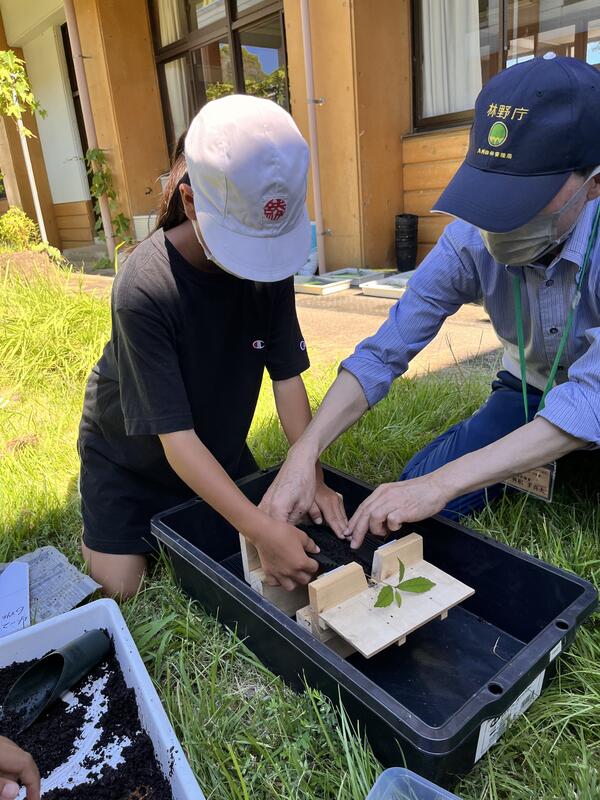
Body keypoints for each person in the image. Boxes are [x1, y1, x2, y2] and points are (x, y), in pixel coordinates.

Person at [262, 54, 600, 565]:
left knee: (438, 486)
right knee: (412, 500)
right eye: (493, 190)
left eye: (526, 196)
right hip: (531, 389)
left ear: (593, 181)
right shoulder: (469, 240)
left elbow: (591, 397)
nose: (501, 221)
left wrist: (443, 484)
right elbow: (384, 353)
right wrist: (303, 453)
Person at [78, 95, 346, 598]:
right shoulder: (144, 285)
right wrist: (259, 530)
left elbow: (287, 379)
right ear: (189, 201)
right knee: (124, 588)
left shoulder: (268, 268)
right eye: (243, 245)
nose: (254, 266)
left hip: (217, 450)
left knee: (256, 542)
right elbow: (175, 439)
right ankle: (99, 516)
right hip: (133, 460)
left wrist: (312, 475)